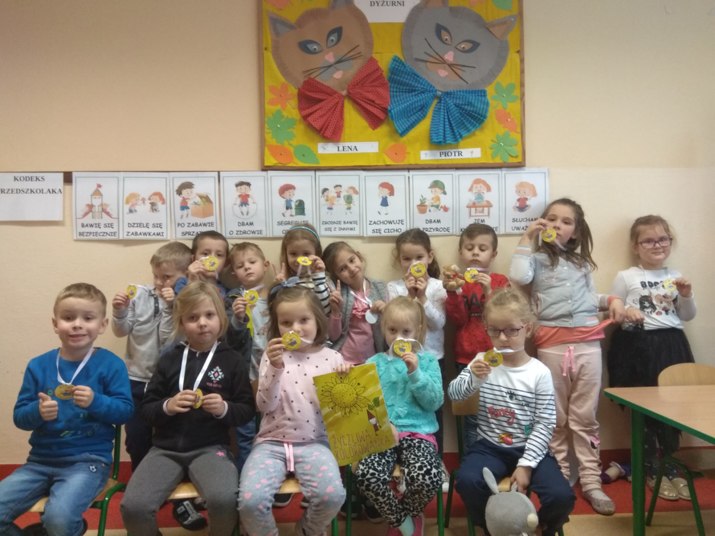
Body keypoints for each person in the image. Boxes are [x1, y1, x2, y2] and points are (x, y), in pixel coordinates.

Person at [510, 198, 623, 515]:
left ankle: (591, 481)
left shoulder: (582, 263)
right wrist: (526, 237)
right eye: (551, 219)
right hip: (552, 345)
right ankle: (558, 478)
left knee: (585, 419)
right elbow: (518, 276)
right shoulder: (536, 260)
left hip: (588, 345)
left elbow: (589, 298)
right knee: (555, 419)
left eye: (566, 221)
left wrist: (612, 300)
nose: (557, 225)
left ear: (576, 231)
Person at [120, 281, 255, 536]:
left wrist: (223, 408)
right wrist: (168, 406)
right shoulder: (169, 359)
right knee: (134, 507)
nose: (202, 323)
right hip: (164, 449)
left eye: (209, 315)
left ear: (221, 318)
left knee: (224, 500)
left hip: (211, 448)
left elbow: (246, 409)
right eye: (193, 318)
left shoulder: (232, 360)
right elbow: (147, 409)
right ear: (181, 323)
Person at [0, 283, 133, 536]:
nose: (77, 325)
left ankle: (68, 529)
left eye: (88, 318)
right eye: (68, 318)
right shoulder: (38, 365)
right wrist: (37, 412)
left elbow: (125, 411)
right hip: (39, 462)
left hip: (88, 462)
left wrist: (96, 401)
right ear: (55, 323)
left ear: (102, 325)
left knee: (58, 520)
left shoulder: (110, 364)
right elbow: (20, 417)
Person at [449, 288, 575, 536]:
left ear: (527, 328)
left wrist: (526, 465)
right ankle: (493, 526)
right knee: (467, 480)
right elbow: (454, 394)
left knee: (561, 496)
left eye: (511, 330)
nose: (503, 338)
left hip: (530, 447)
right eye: (494, 330)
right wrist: (473, 377)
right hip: (489, 447)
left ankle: (537, 526)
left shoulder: (538, 372)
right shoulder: (481, 361)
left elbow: (545, 423)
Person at [238, 285, 346, 536]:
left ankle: (307, 530)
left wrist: (345, 382)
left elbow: (342, 415)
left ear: (318, 320)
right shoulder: (272, 356)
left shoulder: (333, 358)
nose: (295, 328)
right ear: (277, 326)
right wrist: (275, 367)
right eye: (286, 322)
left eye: (304, 320)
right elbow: (264, 406)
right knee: (250, 502)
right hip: (270, 444)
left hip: (314, 443)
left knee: (332, 496)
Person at [607, 215, 696, 500]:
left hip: (671, 345)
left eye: (662, 239)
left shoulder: (676, 275)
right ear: (636, 246)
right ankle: (650, 467)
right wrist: (626, 313)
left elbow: (687, 315)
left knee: (673, 407)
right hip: (636, 346)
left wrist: (686, 295)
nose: (657, 245)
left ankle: (669, 464)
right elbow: (613, 311)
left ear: (670, 241)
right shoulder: (626, 276)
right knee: (643, 408)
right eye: (648, 241)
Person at [354, 297, 444, 536]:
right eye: (392, 330)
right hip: (383, 435)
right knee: (366, 475)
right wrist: (382, 425)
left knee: (428, 477)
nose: (398, 338)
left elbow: (435, 402)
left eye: (406, 332)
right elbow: (366, 407)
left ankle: (410, 512)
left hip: (419, 433)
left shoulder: (428, 361)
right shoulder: (373, 363)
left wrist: (416, 373)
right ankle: (401, 520)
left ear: (418, 331)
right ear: (383, 329)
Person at [112, 241, 192, 470]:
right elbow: (121, 331)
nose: (159, 282)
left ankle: (168, 476)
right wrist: (119, 310)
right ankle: (140, 476)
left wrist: (170, 306)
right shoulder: (139, 295)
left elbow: (168, 341)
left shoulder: (186, 301)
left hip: (168, 382)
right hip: (136, 378)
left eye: (166, 277)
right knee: (136, 438)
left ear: (185, 275)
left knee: (169, 436)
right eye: (156, 276)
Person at [387, 228, 448, 485]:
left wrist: (422, 297)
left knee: (433, 410)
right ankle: (403, 461)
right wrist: (409, 296)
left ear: (429, 257)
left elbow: (438, 322)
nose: (413, 264)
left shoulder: (437, 287)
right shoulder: (394, 287)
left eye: (419, 257)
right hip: (399, 360)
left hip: (431, 357)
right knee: (403, 406)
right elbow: (395, 318)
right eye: (407, 258)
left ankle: (437, 459)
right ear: (399, 260)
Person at [443, 223, 509, 449]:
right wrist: (453, 292)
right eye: (469, 248)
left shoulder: (500, 281)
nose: (475, 253)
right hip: (466, 357)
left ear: (493, 254)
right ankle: (471, 459)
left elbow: (504, 318)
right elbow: (458, 319)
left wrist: (489, 291)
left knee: (498, 412)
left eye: (482, 248)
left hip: (497, 357)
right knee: (471, 416)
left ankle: (497, 455)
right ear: (461, 252)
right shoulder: (460, 281)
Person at [225, 242, 271, 473]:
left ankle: (268, 473)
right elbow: (229, 340)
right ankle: (246, 475)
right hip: (245, 375)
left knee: (271, 429)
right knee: (245, 433)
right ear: (234, 273)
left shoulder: (277, 296)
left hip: (273, 374)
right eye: (240, 266)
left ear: (265, 265)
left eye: (252, 262)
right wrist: (238, 318)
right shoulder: (233, 298)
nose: (247, 268)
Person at [323, 240, 388, 364]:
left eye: (352, 260)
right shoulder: (339, 295)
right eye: (343, 269)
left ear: (359, 256)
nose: (352, 269)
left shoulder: (380, 287)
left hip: (373, 360)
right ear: (337, 276)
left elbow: (391, 327)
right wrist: (336, 311)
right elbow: (333, 336)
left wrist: (386, 311)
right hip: (345, 361)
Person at [276, 224, 331, 315]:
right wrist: (279, 288)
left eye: (306, 254)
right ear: (286, 254)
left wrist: (319, 279)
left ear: (316, 254)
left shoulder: (323, 280)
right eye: (293, 254)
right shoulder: (286, 282)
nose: (299, 259)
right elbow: (277, 312)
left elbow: (324, 310)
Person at [174, 230, 231, 297]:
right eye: (205, 254)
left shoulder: (227, 292)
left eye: (219, 255)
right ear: (194, 259)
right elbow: (181, 302)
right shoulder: (182, 283)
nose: (212, 259)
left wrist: (211, 283)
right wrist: (191, 282)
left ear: (225, 263)